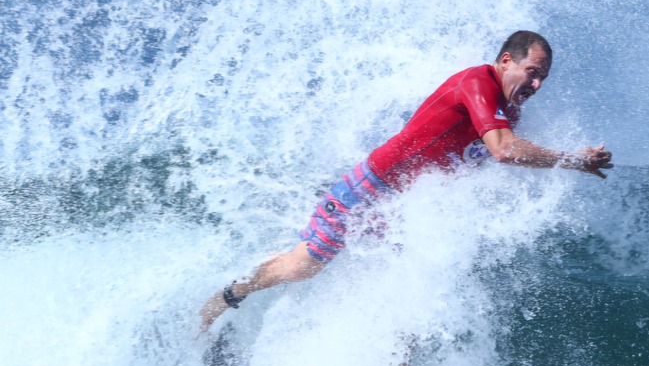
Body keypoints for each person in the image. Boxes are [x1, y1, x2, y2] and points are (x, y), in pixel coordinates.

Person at [200, 31, 613, 330]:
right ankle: (224, 299)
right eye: (532, 71)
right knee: (303, 267)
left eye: (543, 78)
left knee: (407, 296)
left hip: (405, 207)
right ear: (506, 60)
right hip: (371, 189)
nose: (537, 85)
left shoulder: (508, 113)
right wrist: (571, 161)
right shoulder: (476, 83)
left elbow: (491, 158)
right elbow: (505, 150)